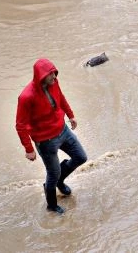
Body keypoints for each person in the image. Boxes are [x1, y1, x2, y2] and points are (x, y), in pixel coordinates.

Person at [16, 59, 88, 214]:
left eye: (55, 74)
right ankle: (52, 205)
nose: (55, 78)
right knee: (52, 174)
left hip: (63, 130)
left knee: (81, 157)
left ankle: (59, 181)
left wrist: (71, 115)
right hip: (45, 141)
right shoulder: (26, 97)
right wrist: (29, 148)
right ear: (41, 76)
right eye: (51, 75)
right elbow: (20, 126)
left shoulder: (54, 83)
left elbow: (61, 98)